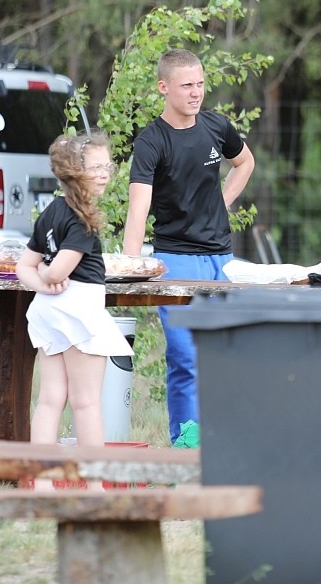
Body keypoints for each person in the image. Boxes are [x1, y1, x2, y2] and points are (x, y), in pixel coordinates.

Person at [122, 49, 256, 446]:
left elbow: (245, 163)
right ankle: (186, 441)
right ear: (164, 87)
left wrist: (222, 202)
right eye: (186, 86)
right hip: (175, 259)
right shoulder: (151, 141)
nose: (196, 93)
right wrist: (130, 268)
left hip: (222, 259)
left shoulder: (217, 126)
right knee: (185, 356)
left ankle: (226, 438)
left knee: (226, 353)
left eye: (200, 84)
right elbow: (138, 209)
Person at [16, 133, 132, 475]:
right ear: (73, 171)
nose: (104, 174)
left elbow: (24, 267)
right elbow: (59, 270)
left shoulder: (51, 211)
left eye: (107, 166)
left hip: (48, 311)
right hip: (78, 311)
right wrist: (49, 276)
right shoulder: (83, 218)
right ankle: (95, 485)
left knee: (50, 399)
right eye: (95, 168)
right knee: (86, 402)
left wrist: (42, 283)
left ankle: (41, 482)